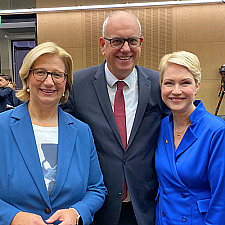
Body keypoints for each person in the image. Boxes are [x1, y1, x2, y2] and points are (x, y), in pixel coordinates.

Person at [61, 11, 169, 225]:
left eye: (132, 40)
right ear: (103, 44)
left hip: (146, 206)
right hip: (97, 206)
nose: (126, 48)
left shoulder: (159, 85)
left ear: (141, 43)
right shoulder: (77, 85)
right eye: (117, 41)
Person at [0, 42, 107, 225]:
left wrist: (76, 212)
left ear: (66, 82)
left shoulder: (82, 132)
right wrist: (12, 217)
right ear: (26, 77)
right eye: (40, 72)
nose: (49, 82)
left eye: (57, 75)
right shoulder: (2, 127)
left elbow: (96, 188)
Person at [155, 50, 225, 224]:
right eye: (169, 83)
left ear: (197, 85)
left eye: (185, 83)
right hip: (163, 219)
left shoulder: (216, 131)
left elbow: (221, 198)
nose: (176, 91)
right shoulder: (162, 126)